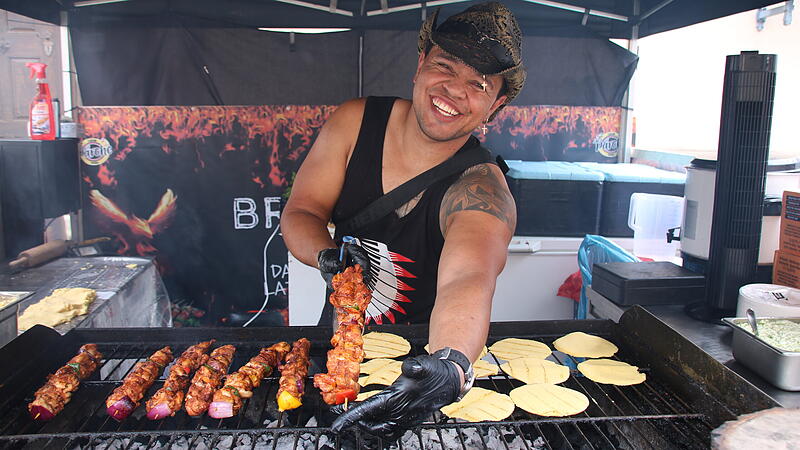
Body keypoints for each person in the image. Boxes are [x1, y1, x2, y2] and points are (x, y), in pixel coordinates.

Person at [281, 1, 526, 439]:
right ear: (420, 65)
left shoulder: (482, 190)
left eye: (479, 84)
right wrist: (326, 258)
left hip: (422, 368)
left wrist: (449, 366)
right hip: (339, 343)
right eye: (445, 66)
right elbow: (302, 211)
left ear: (496, 105)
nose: (454, 90)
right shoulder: (355, 123)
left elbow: (468, 278)